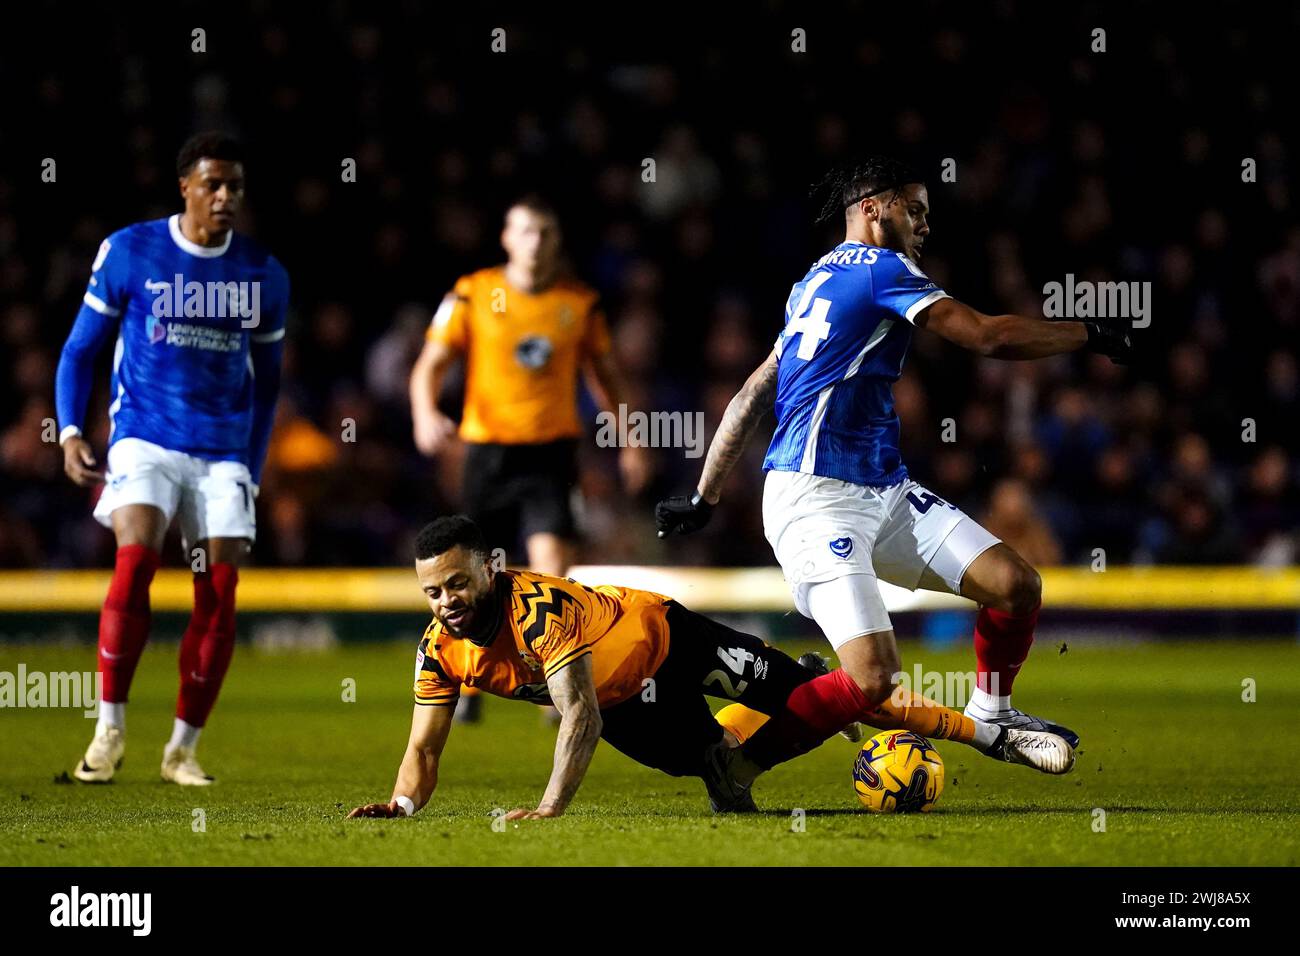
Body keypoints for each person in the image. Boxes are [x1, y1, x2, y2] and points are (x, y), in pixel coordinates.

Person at [656, 156, 1133, 787]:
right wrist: (1088, 332)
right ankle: (738, 764)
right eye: (917, 209)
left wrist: (704, 494)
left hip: (883, 491)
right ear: (875, 208)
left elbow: (751, 394)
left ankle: (993, 709)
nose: (926, 224)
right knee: (873, 677)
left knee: (1016, 584)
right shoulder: (883, 270)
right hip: (816, 498)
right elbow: (986, 336)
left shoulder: (811, 282)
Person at [348, 515, 1075, 820]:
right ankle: (782, 699)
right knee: (717, 775)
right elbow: (422, 746)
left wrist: (549, 811)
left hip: (667, 636)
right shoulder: (438, 650)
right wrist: (405, 804)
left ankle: (991, 735)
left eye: (457, 584)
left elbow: (578, 715)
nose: (446, 602)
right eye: (433, 591)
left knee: (850, 688)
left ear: (491, 569)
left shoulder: (535, 611)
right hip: (627, 704)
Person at [55, 131, 289, 785]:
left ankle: (182, 749)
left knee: (219, 592)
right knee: (135, 564)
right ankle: (109, 731)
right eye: (212, 185)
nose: (224, 198)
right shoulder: (131, 251)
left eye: (234, 187)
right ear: (184, 185)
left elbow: (267, 384)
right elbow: (80, 351)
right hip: (144, 436)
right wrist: (72, 429)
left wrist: (254, 464)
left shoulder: (263, 273)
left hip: (222, 451)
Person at [408, 195, 650, 722]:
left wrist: (632, 439)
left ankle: (554, 681)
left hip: (550, 454)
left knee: (552, 570)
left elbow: (608, 378)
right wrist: (424, 411)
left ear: (556, 241)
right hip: (487, 452)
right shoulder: (473, 293)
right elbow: (430, 363)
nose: (535, 242)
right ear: (506, 238)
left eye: (544, 233)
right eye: (525, 232)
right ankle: (469, 682)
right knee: (471, 573)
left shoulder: (579, 304)